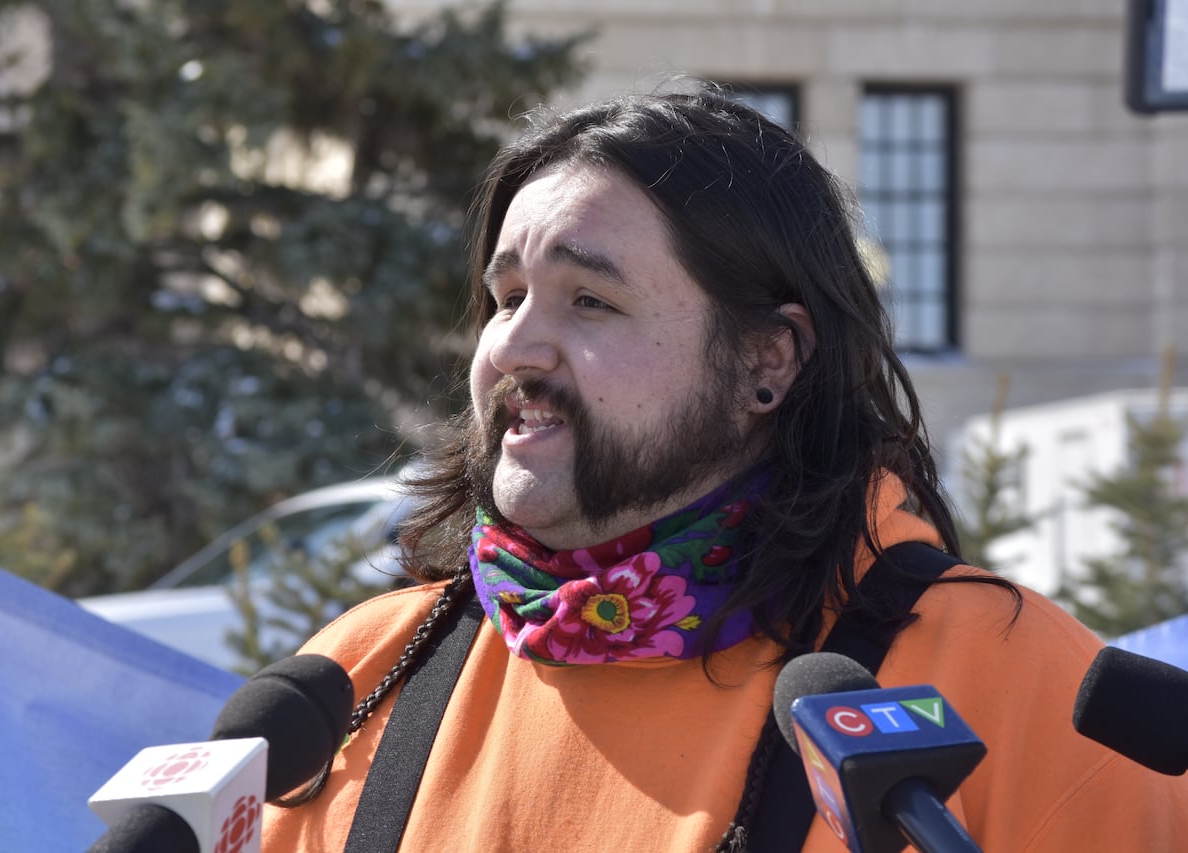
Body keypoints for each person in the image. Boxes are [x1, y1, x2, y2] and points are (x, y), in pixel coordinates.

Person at [262, 85, 1188, 851]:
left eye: (590, 300)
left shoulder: (1007, 687)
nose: (516, 348)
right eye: (506, 299)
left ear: (766, 360)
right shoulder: (349, 682)